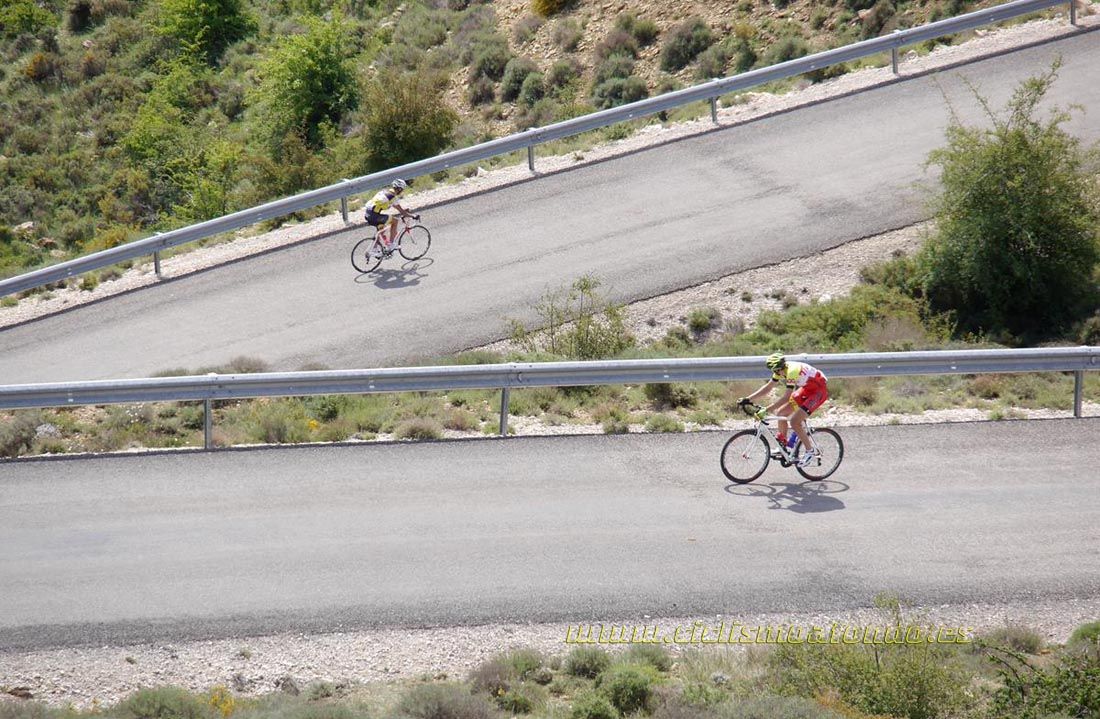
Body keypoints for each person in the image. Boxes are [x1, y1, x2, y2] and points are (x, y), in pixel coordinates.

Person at [739, 352, 829, 468]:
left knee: (794, 421)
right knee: (781, 413)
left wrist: (767, 410)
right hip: (807, 389)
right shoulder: (781, 370)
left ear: (779, 368)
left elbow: (786, 397)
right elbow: (768, 387)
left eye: (775, 370)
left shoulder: (791, 371)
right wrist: (747, 399)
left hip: (818, 392)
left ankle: (809, 451)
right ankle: (785, 446)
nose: (775, 373)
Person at [364, 179, 418, 257]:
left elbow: (399, 209)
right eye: (402, 189)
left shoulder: (384, 192)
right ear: (399, 189)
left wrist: (404, 211)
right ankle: (391, 245)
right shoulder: (392, 197)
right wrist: (413, 216)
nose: (402, 191)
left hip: (368, 214)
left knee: (381, 230)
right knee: (395, 221)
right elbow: (401, 212)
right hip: (373, 215)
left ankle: (375, 249)